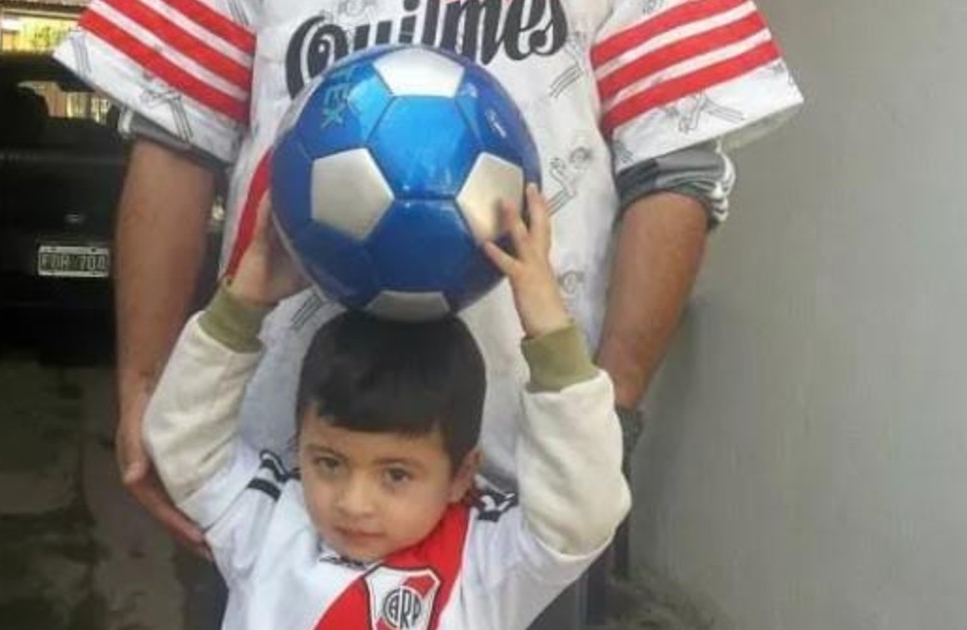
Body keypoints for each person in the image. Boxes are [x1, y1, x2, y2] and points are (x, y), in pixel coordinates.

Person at [53, 0, 803, 613]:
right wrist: (145, 384)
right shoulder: (261, 519)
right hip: (283, 457)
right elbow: (175, 135)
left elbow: (675, 160)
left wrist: (611, 416)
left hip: (525, 478)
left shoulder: (527, 549)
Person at [144, 186, 630, 629]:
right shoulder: (269, 521)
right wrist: (242, 305)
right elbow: (183, 447)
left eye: (396, 474)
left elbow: (581, 517)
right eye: (329, 463)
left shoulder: (487, 560)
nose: (353, 503)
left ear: (462, 475)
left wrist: (551, 334)